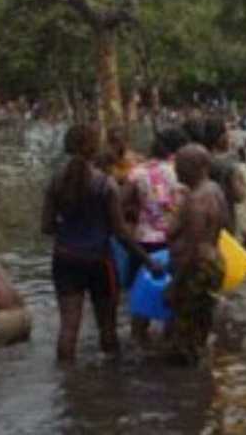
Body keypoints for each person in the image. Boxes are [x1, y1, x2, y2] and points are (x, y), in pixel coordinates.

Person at [42, 124, 161, 361]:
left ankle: (68, 388)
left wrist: (71, 231)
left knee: (68, 329)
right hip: (99, 261)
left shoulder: (55, 181)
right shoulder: (105, 184)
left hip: (65, 259)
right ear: (93, 148)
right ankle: (110, 389)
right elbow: (120, 233)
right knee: (107, 329)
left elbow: (46, 227)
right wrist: (148, 261)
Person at [166, 144, 229, 364]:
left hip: (195, 269)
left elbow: (192, 248)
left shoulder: (195, 202)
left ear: (198, 167)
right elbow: (224, 226)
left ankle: (186, 387)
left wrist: (175, 285)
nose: (176, 171)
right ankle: (201, 382)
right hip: (214, 262)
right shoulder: (215, 189)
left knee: (183, 333)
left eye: (180, 166)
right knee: (201, 323)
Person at [126, 127, 188, 344]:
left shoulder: (136, 172)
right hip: (174, 242)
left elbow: (125, 207)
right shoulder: (180, 171)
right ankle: (168, 341)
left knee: (141, 298)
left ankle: (138, 340)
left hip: (143, 243)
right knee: (175, 296)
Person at [202, 117, 246, 237]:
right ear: (219, 136)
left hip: (203, 221)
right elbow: (239, 196)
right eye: (227, 133)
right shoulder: (228, 163)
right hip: (225, 222)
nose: (229, 136)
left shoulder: (200, 158)